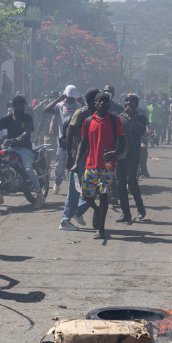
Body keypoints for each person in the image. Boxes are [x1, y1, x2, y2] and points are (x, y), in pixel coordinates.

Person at [74, 92, 124, 239]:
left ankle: (101, 229)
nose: (102, 104)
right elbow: (82, 144)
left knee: (103, 195)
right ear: (95, 103)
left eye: (105, 101)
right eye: (99, 101)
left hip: (107, 166)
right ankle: (97, 210)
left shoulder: (115, 120)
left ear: (108, 104)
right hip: (91, 165)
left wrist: (115, 152)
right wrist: (76, 162)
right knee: (86, 195)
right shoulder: (88, 121)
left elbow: (122, 141)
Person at [0, 94, 44, 207]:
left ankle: (39, 195)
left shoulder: (27, 118)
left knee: (28, 169)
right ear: (14, 106)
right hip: (11, 148)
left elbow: (28, 130)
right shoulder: (7, 118)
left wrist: (22, 136)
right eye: (19, 106)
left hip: (25, 148)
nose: (22, 108)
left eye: (23, 106)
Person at [58, 87, 97, 231]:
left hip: (93, 158)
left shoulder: (99, 114)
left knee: (96, 189)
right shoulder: (81, 113)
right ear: (93, 101)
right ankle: (65, 220)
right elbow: (69, 133)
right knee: (75, 189)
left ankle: (78, 211)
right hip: (78, 158)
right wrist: (69, 156)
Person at [43, 85, 82, 195]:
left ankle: (74, 187)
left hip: (76, 141)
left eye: (72, 97)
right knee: (59, 165)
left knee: (75, 165)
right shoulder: (60, 105)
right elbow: (46, 110)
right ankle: (57, 182)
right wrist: (58, 99)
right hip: (63, 140)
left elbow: (91, 113)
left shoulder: (79, 106)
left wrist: (83, 103)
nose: (70, 99)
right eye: (68, 97)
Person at [116, 94, 148, 222]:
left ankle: (140, 208)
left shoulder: (140, 117)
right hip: (120, 154)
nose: (128, 103)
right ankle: (126, 213)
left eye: (131, 101)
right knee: (121, 184)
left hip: (133, 154)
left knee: (131, 180)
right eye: (126, 101)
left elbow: (141, 131)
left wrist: (133, 118)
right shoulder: (118, 118)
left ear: (136, 104)